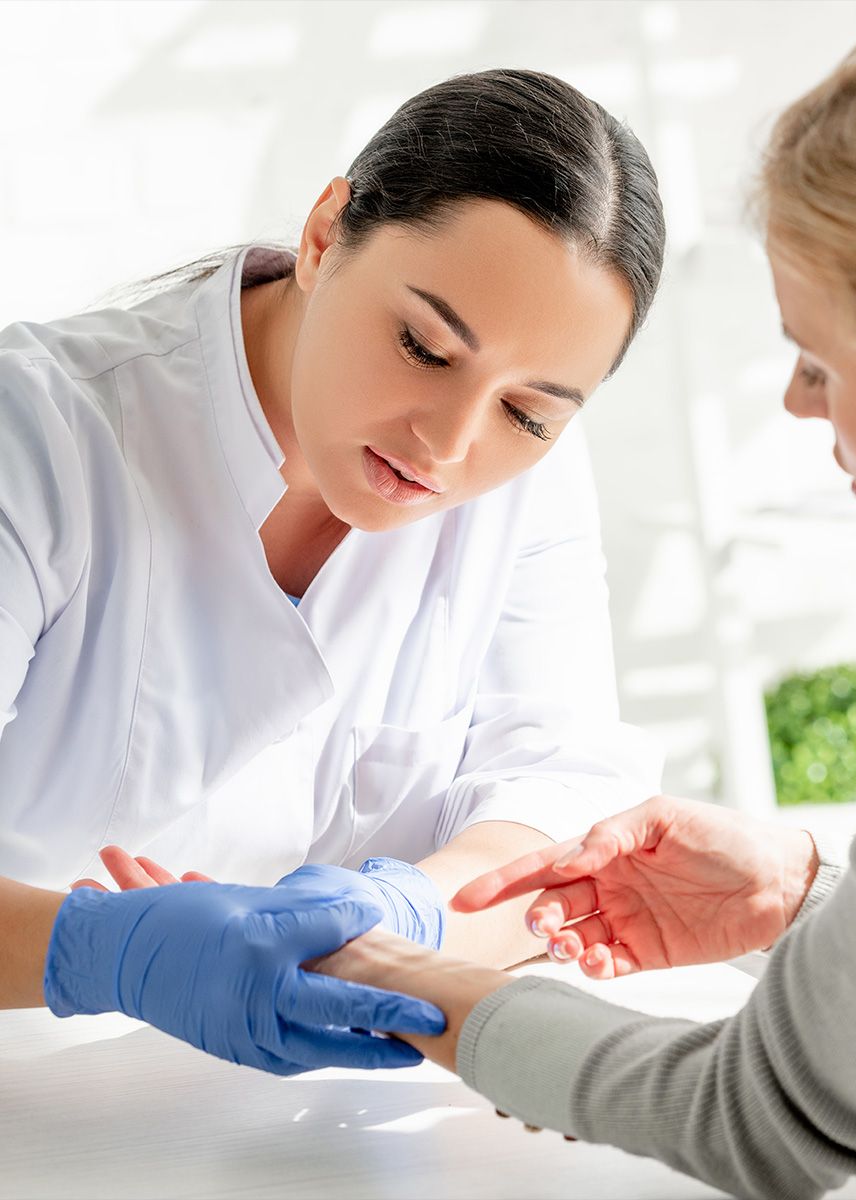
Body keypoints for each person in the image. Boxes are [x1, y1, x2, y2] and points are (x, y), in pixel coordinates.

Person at [305, 9, 856, 1196]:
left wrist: (415, 981)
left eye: (821, 361)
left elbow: (776, 1118)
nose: (792, 403)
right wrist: (808, 895)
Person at [0, 69, 666, 1075]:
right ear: (323, 236)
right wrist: (96, 957)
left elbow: (561, 799)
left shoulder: (531, 481)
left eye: (527, 412)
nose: (449, 444)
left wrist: (413, 911)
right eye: (424, 347)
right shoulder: (38, 437)